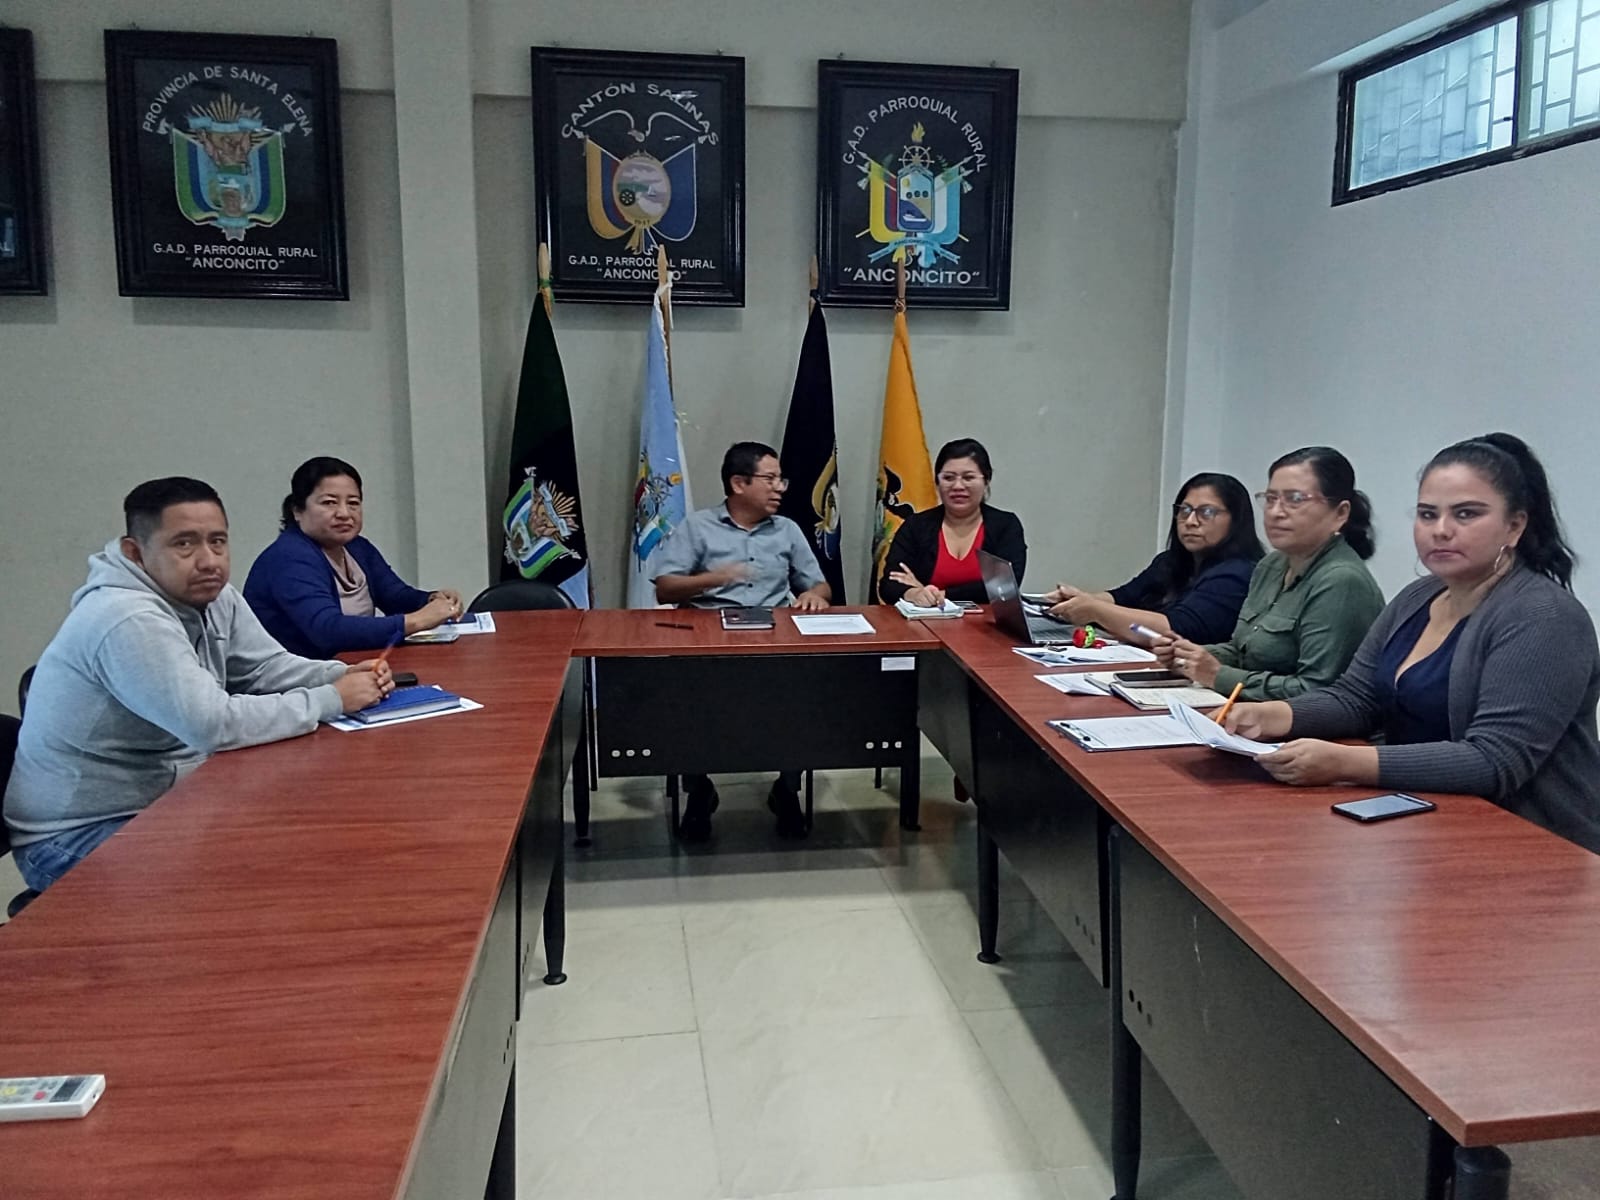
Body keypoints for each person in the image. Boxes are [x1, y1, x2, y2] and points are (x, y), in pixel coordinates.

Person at [3, 478, 394, 894]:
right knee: (253, 878)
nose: (209, 561)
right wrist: (331, 699)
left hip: (166, 802)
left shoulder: (213, 595)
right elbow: (212, 725)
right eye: (184, 544)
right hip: (78, 836)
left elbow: (265, 667)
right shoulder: (126, 619)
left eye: (217, 541)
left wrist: (337, 674)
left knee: (304, 834)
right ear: (136, 553)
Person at [1227, 435, 1600, 853]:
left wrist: (1343, 762)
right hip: (1421, 821)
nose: (1441, 530)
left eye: (1466, 514)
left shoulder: (1544, 616)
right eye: (1427, 514)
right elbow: (1357, 699)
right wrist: (1272, 715)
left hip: (1528, 843)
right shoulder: (1419, 596)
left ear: (1514, 526)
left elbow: (1494, 760)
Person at [653, 441, 832, 840]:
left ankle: (787, 790)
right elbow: (665, 588)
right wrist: (714, 579)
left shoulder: (787, 529)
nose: (779, 487)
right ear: (738, 483)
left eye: (781, 479)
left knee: (801, 698)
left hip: (774, 639)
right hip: (707, 640)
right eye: (770, 479)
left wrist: (814, 596)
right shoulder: (698, 526)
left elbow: (819, 585)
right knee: (686, 701)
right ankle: (699, 792)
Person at [1154, 446, 1384, 700]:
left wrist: (1218, 675)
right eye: (1271, 499)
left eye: (1295, 499)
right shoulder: (1271, 565)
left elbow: (1317, 691)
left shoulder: (1341, 581)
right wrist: (1188, 656)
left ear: (1340, 513)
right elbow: (1243, 651)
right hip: (1250, 710)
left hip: (1303, 723)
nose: (1275, 512)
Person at [244, 456, 462, 658]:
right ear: (297, 511)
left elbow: (395, 596)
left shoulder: (357, 547)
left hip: (352, 667)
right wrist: (416, 621)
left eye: (353, 503)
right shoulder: (289, 557)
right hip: (298, 680)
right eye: (329, 502)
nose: (344, 513)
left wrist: (431, 600)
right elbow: (328, 631)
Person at [1040, 472, 1263, 644]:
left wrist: (1094, 610)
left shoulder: (1238, 573)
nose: (1191, 521)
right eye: (1184, 510)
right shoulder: (1169, 562)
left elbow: (1176, 629)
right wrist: (1079, 600)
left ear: (1236, 520)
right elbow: (1122, 597)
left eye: (1206, 512)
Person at [878, 438, 1027, 606]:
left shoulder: (1006, 526)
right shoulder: (916, 526)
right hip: (924, 620)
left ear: (986, 481)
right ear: (937, 482)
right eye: (948, 478)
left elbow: (1004, 587)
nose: (958, 486)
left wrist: (939, 594)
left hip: (986, 621)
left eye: (968, 478)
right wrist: (914, 593)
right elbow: (889, 584)